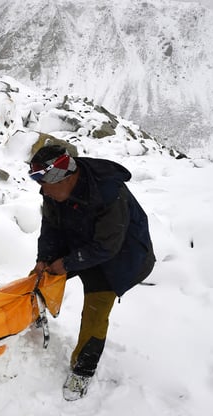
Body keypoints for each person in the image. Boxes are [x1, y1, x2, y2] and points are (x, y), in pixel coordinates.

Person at [28, 144, 155, 401]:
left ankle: (82, 370)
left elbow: (108, 245)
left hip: (119, 256)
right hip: (82, 241)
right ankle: (29, 322)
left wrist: (66, 263)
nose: (43, 191)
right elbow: (50, 225)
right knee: (37, 277)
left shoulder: (109, 192)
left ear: (66, 177)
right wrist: (44, 258)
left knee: (96, 311)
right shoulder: (54, 190)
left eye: (47, 185)